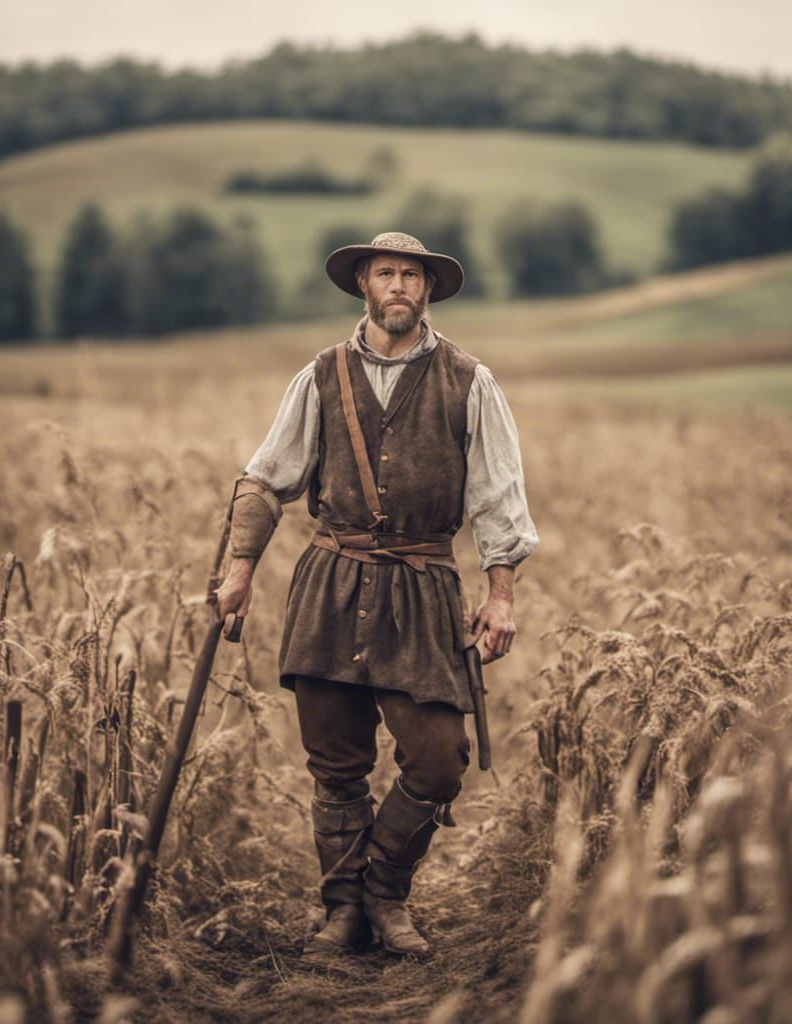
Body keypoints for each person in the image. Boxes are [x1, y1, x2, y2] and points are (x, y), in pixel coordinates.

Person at [216, 231, 537, 960]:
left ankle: (384, 894)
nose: (399, 286)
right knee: (336, 765)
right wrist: (239, 570)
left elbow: (499, 496)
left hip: (423, 587)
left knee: (437, 760)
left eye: (412, 276)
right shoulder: (321, 375)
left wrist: (501, 592)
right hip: (331, 583)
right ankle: (344, 913)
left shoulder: (467, 379)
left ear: (428, 290)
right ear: (364, 283)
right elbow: (267, 480)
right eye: (386, 273)